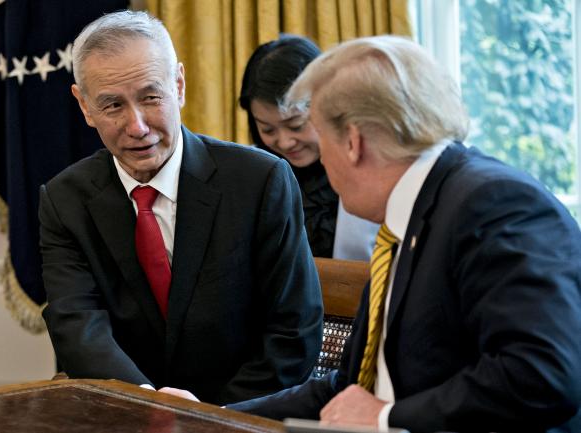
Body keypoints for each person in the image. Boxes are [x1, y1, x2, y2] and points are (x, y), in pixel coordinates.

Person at [227, 36, 581, 432]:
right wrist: (215, 419)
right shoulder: (410, 214)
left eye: (320, 138)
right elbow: (349, 390)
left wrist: (384, 418)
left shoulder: (494, 202)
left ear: (352, 142)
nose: (320, 159)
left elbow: (542, 375)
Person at [38, 10, 323, 406]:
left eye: (151, 97)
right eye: (113, 106)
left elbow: (293, 331)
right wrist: (147, 406)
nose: (137, 126)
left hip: (241, 415)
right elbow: (77, 324)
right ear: (84, 106)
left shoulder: (260, 181)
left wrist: (212, 417)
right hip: (127, 414)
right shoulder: (64, 200)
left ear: (179, 85)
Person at [239, 35, 378, 260]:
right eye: (268, 130)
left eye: (296, 125)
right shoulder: (254, 172)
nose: (285, 142)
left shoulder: (369, 165)